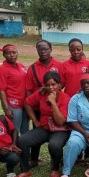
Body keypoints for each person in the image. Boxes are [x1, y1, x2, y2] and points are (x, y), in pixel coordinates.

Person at [12, 71, 70, 177]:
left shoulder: (65, 97)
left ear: (59, 85)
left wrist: (53, 102)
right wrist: (35, 121)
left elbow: (61, 121)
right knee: (22, 140)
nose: (50, 87)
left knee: (54, 145)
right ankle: (25, 169)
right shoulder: (41, 93)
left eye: (53, 84)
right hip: (45, 128)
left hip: (60, 130)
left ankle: (56, 168)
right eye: (47, 85)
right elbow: (27, 103)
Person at [25, 40, 63, 168]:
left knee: (57, 131)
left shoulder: (59, 65)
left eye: (45, 49)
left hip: (55, 104)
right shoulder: (32, 68)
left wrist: (53, 91)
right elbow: (29, 89)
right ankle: (34, 158)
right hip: (39, 104)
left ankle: (55, 160)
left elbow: (62, 83)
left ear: (51, 49)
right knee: (37, 131)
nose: (43, 51)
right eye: (40, 49)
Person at [60, 38, 89, 161]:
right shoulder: (64, 65)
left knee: (87, 125)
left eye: (78, 49)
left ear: (82, 49)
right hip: (71, 102)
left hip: (86, 101)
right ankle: (77, 154)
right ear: (69, 50)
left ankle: (87, 155)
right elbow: (61, 84)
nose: (76, 52)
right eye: (73, 50)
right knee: (74, 126)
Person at [0, 44, 29, 135]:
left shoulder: (21, 66)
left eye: (14, 52)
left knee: (25, 130)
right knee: (14, 130)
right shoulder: (1, 70)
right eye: (8, 53)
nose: (12, 55)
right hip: (12, 104)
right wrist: (6, 109)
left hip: (24, 103)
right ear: (4, 55)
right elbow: (1, 90)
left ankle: (25, 149)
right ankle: (13, 148)